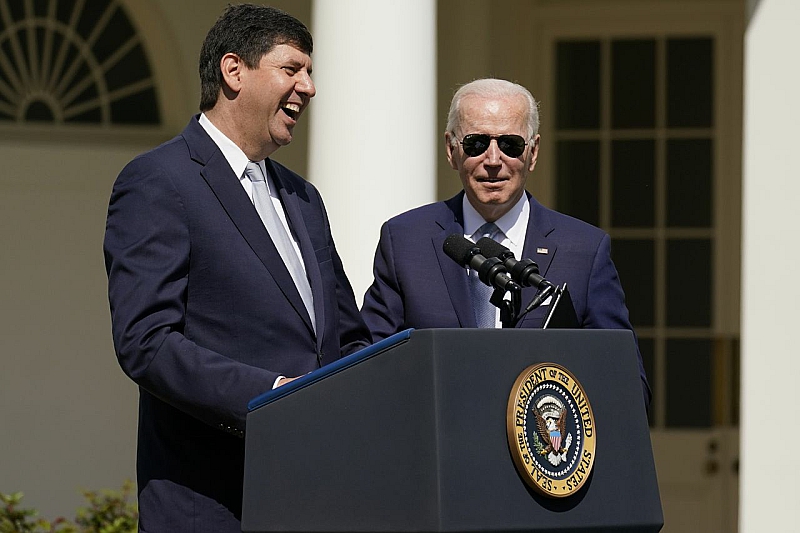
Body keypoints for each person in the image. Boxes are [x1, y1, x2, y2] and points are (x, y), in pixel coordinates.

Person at [103, 4, 371, 530]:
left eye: (310, 72)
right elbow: (146, 342)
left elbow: (347, 336)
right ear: (234, 71)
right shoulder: (160, 181)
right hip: (211, 503)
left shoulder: (304, 197)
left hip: (312, 498)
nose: (309, 87)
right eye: (292, 69)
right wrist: (273, 397)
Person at [360, 78, 650, 406]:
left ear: (533, 152)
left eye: (510, 145)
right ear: (451, 150)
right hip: (437, 447)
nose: (494, 159)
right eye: (476, 144)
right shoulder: (406, 240)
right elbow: (369, 365)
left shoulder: (583, 249)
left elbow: (626, 383)